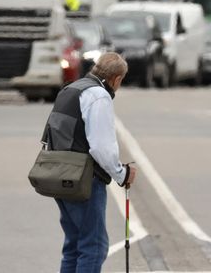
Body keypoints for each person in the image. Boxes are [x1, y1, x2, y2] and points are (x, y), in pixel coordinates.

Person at [43, 52, 138, 273]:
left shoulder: (71, 89)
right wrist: (121, 174)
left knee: (74, 245)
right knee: (94, 246)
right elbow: (101, 147)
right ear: (116, 79)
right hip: (83, 180)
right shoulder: (98, 96)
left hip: (58, 173)